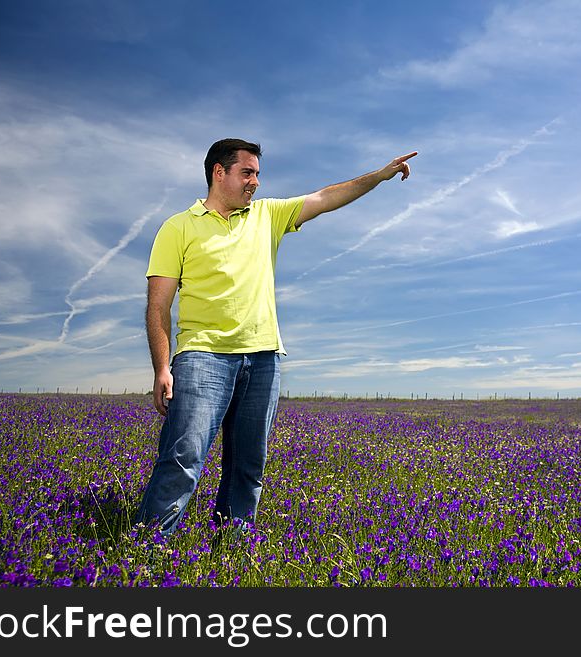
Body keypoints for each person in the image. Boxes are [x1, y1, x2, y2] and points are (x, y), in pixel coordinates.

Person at [134, 138, 417, 536]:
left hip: (264, 359)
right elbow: (158, 305)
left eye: (257, 175)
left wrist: (380, 176)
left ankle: (230, 552)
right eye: (247, 173)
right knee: (184, 458)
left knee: (249, 465)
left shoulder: (267, 215)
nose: (255, 183)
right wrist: (162, 367)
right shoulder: (178, 227)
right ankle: (144, 552)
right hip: (202, 357)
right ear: (219, 172)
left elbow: (325, 197)